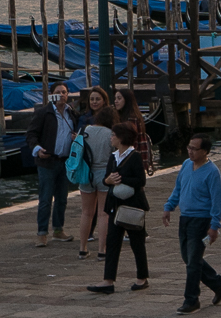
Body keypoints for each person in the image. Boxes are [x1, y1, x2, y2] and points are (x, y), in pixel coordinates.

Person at [162, 133, 221, 314]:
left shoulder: (212, 172)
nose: (190, 152)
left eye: (194, 149)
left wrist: (215, 226)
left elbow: (217, 201)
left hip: (201, 220)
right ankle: (217, 282)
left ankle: (191, 299)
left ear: (205, 151)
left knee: (193, 262)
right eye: (189, 148)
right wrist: (169, 207)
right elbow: (178, 188)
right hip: (185, 218)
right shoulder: (185, 165)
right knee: (188, 257)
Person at [86, 122, 150, 294]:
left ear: (121, 138)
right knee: (112, 242)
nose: (111, 137)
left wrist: (120, 179)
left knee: (137, 243)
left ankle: (142, 278)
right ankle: (108, 280)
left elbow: (140, 181)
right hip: (115, 205)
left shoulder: (134, 156)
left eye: (113, 135)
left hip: (132, 206)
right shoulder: (113, 156)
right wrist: (109, 181)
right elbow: (107, 177)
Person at [26, 82, 77, 247]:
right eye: (58, 92)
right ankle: (42, 233)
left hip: (65, 161)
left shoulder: (72, 113)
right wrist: (37, 149)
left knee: (62, 198)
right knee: (46, 198)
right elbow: (31, 134)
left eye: (64, 92)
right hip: (47, 161)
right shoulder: (44, 113)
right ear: (51, 95)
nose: (61, 95)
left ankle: (58, 229)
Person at [77, 106, 116, 260]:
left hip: (86, 174)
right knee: (103, 213)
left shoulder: (86, 130)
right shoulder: (110, 134)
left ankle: (82, 248)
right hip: (104, 175)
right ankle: (102, 250)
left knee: (86, 212)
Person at [111, 88, 153, 173]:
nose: (116, 101)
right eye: (115, 98)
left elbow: (132, 142)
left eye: (119, 98)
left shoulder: (131, 118)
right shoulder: (133, 115)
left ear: (127, 100)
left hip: (131, 159)